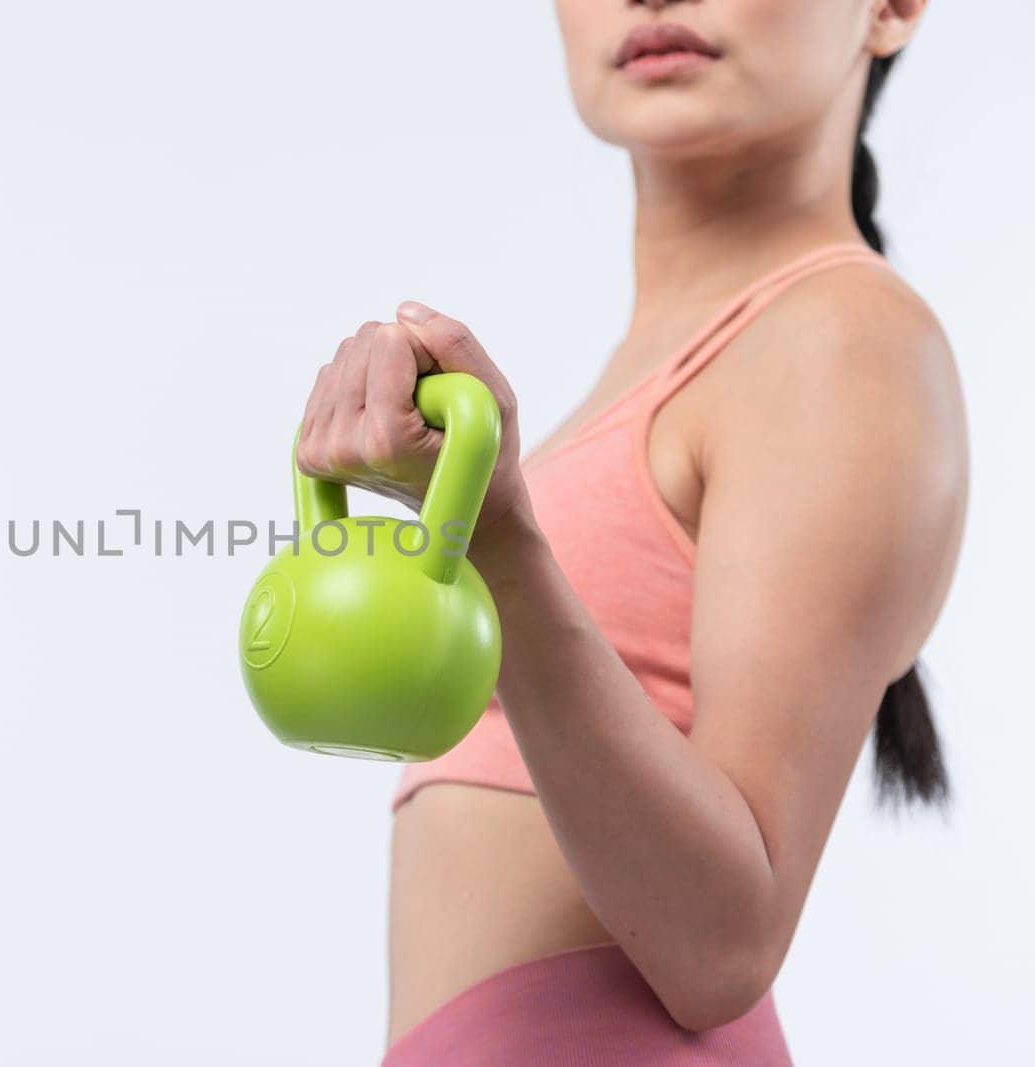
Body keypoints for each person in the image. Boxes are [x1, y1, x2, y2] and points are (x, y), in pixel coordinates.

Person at [291, 1, 967, 1062]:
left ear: (889, 10)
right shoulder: (699, 358)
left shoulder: (840, 343)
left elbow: (718, 945)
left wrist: (500, 541)